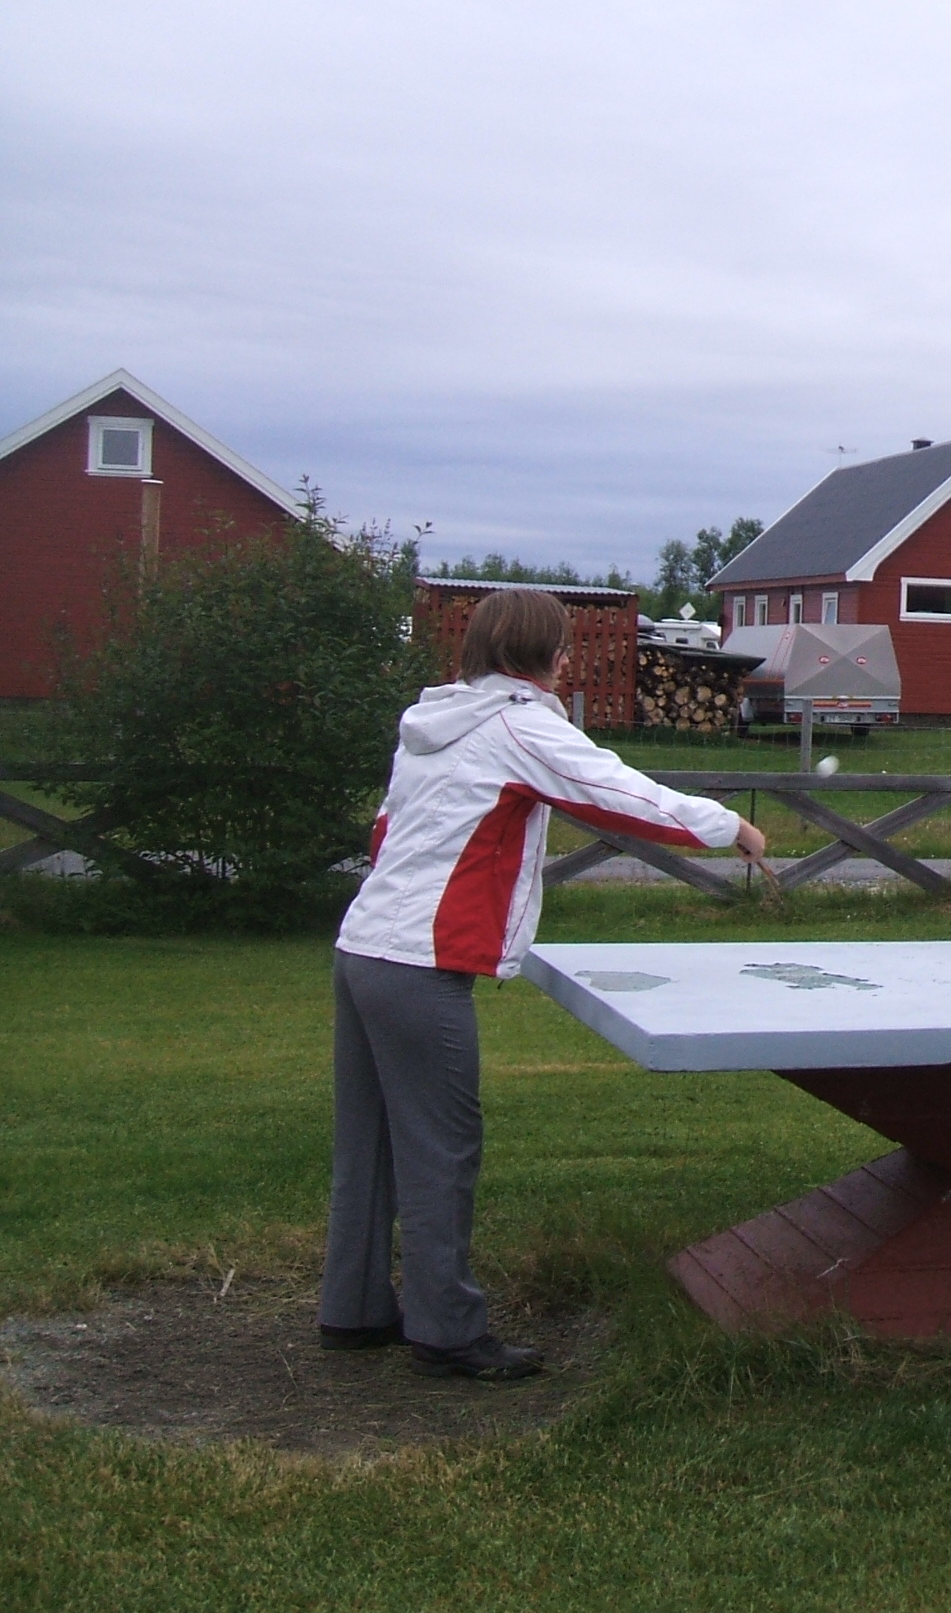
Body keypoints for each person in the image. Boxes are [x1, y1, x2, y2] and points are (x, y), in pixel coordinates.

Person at [319, 589, 767, 1377]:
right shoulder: (520, 727)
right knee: (441, 1151)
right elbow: (623, 795)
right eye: (561, 649)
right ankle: (447, 1330)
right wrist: (730, 827)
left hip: (361, 950)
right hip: (421, 968)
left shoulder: (432, 724)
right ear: (536, 655)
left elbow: (384, 832)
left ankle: (353, 1310)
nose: (568, 662)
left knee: (371, 1145)